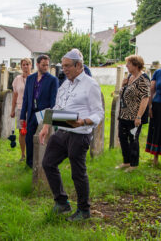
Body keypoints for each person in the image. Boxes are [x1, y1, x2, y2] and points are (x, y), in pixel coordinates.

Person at [39, 49, 104, 221]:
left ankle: (84, 210)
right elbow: (57, 106)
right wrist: (46, 126)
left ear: (78, 65)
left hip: (80, 134)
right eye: (63, 66)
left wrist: (83, 121)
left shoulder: (90, 85)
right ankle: (62, 203)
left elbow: (99, 113)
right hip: (62, 132)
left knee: (78, 173)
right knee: (48, 163)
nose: (64, 69)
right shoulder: (65, 84)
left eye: (67, 66)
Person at [20, 55, 58, 168]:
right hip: (32, 113)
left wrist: (49, 118)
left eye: (47, 65)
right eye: (43, 65)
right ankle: (30, 163)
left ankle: (43, 162)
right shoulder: (30, 79)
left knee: (43, 139)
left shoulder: (52, 80)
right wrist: (23, 116)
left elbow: (53, 101)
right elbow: (26, 98)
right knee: (29, 138)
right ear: (37, 65)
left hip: (44, 113)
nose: (46, 67)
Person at [115, 55, 150, 172]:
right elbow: (123, 93)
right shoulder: (130, 77)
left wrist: (139, 116)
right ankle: (126, 161)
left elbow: (145, 98)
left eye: (128, 63)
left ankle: (134, 165)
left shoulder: (143, 79)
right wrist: (123, 85)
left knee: (133, 139)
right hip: (124, 114)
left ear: (136, 65)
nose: (126, 66)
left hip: (135, 116)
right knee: (122, 137)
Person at [10, 58, 32, 161]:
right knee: (22, 132)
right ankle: (23, 154)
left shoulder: (34, 78)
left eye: (27, 64)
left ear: (31, 65)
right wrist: (12, 109)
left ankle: (31, 154)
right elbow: (15, 95)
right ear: (21, 66)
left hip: (32, 109)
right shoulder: (17, 79)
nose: (25, 66)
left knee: (31, 131)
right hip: (20, 108)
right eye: (23, 64)